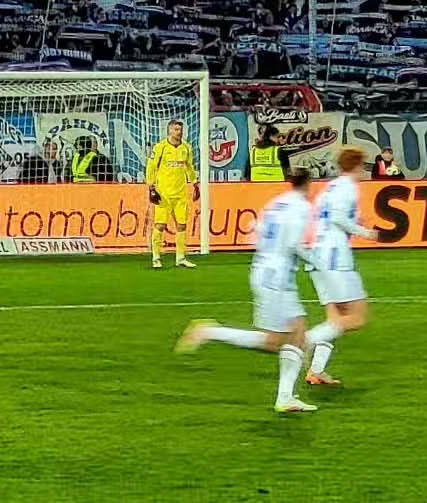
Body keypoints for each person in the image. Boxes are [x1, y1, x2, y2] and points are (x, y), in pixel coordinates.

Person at [175, 168, 317, 414]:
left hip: (264, 269)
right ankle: (209, 332)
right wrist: (316, 260)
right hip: (277, 278)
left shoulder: (276, 203)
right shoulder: (302, 207)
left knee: (298, 335)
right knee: (275, 341)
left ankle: (286, 397)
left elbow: (255, 232)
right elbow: (295, 243)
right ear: (307, 185)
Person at [305, 146, 379, 387]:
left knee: (334, 320)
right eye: (363, 165)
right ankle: (302, 341)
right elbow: (337, 218)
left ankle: (316, 371)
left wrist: (354, 221)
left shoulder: (331, 187)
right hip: (335, 260)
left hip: (318, 255)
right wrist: (365, 232)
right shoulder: (348, 188)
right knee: (357, 317)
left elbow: (322, 217)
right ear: (356, 165)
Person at [146, 119, 199, 270]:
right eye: (175, 129)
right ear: (169, 130)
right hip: (164, 194)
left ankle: (180, 257)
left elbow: (189, 167)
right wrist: (151, 187)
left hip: (180, 194)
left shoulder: (186, 148)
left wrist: (195, 183)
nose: (179, 132)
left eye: (180, 129)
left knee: (181, 226)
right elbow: (151, 166)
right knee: (160, 225)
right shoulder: (160, 147)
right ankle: (156, 257)